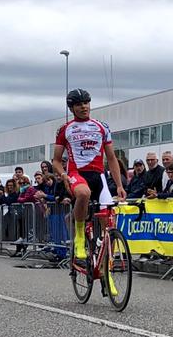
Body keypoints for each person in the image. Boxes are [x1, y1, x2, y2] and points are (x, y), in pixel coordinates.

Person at [51, 89, 126, 260]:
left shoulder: (102, 127)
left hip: (99, 176)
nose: (84, 107)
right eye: (79, 104)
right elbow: (56, 161)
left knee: (109, 220)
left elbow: (112, 158)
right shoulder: (65, 129)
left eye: (86, 103)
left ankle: (105, 259)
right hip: (77, 174)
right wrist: (63, 175)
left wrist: (120, 186)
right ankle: (79, 236)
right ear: (72, 108)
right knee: (84, 194)